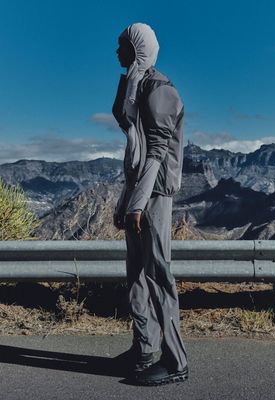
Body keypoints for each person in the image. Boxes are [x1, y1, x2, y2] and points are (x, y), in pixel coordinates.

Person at [112, 22, 188, 386]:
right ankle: (144, 349)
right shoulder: (135, 84)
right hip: (138, 191)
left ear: (137, 47)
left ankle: (176, 361)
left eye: (121, 45)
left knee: (158, 276)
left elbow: (156, 153)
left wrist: (138, 202)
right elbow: (134, 149)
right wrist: (125, 198)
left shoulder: (160, 90)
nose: (116, 52)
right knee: (136, 276)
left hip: (154, 194)